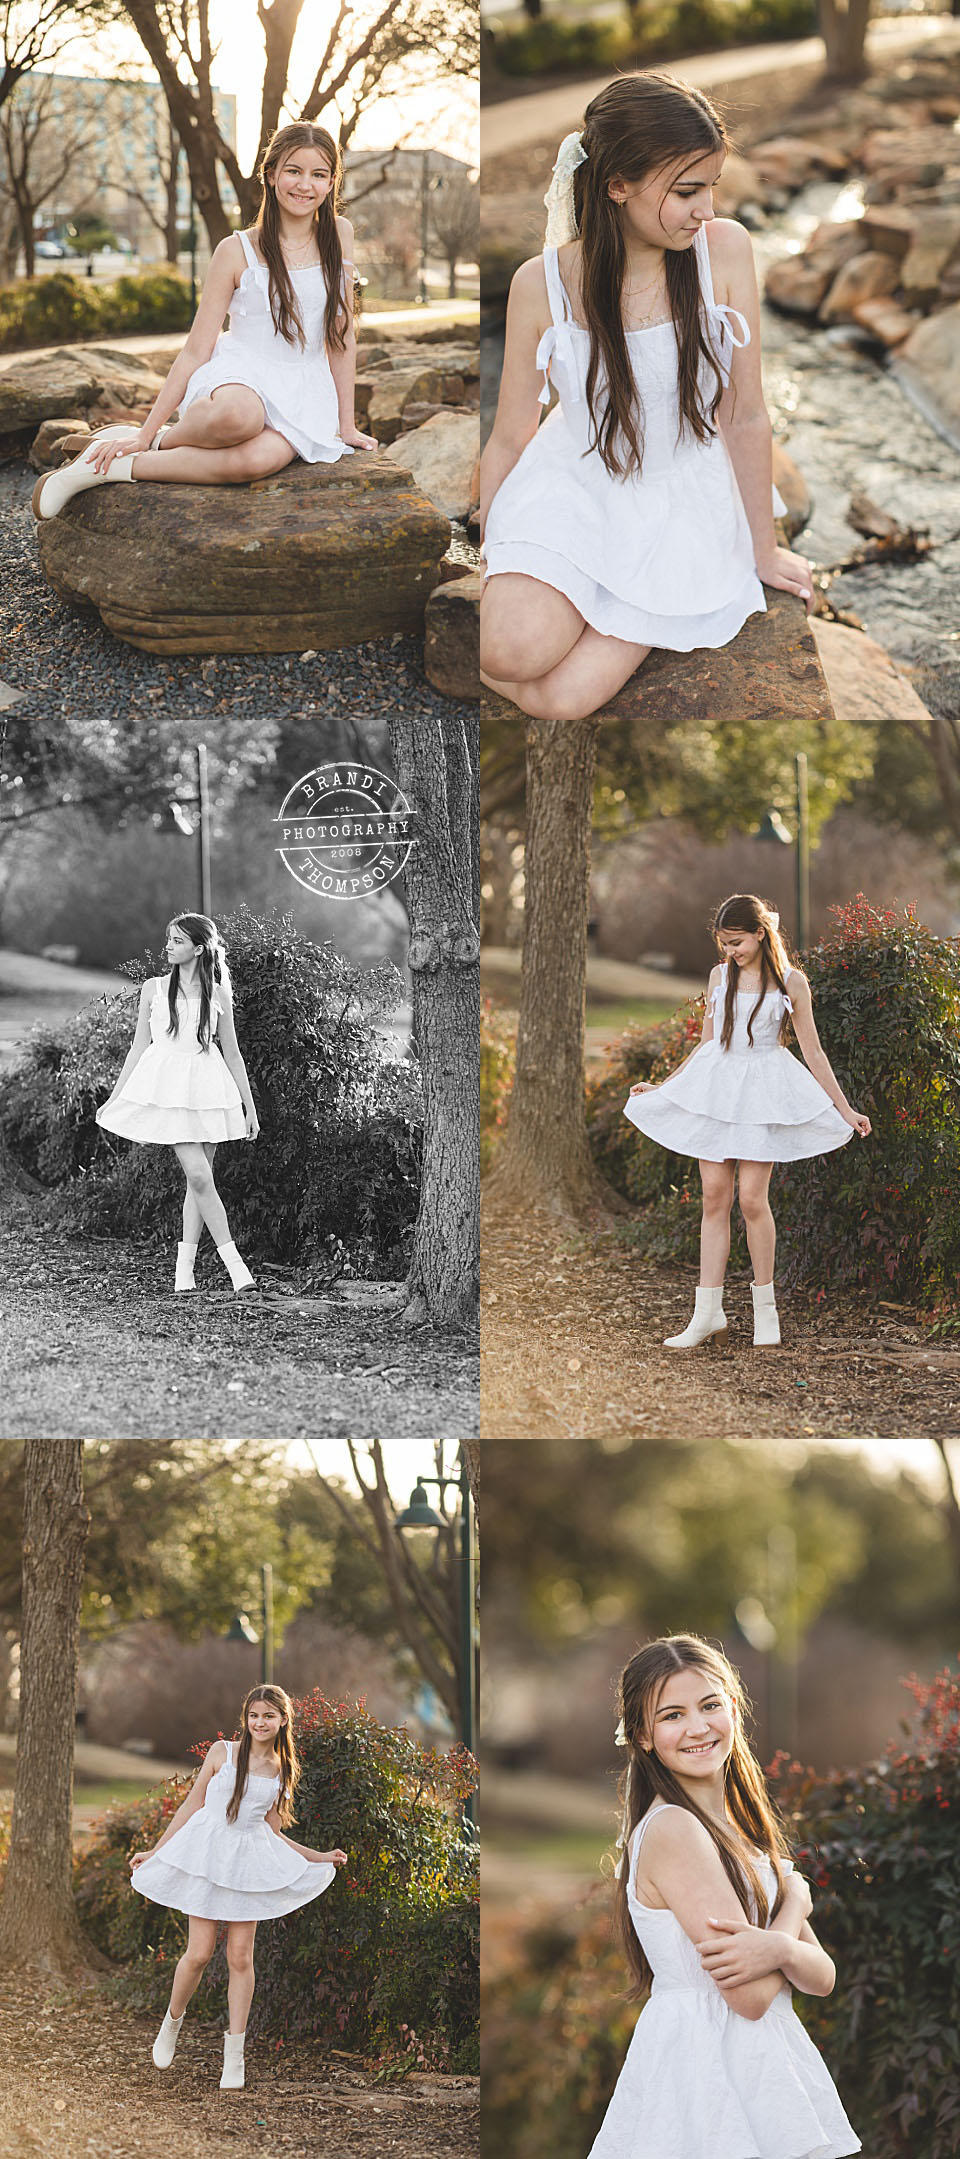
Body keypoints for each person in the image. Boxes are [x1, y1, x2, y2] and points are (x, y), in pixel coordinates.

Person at [480, 71, 814, 724]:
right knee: (504, 650)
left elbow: (745, 415)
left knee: (562, 700)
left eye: (712, 187)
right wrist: (495, 554)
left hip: (682, 497)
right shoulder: (540, 283)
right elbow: (509, 436)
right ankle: (595, 592)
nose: (708, 210)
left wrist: (763, 549)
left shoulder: (725, 252)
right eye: (688, 191)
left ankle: (650, 595)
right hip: (577, 483)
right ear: (616, 184)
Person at [590, 1634, 860, 2159]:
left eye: (710, 1705)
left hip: (756, 2065)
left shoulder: (740, 1830)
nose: (697, 1727)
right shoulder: (674, 1830)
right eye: (672, 1715)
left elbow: (822, 1976)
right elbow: (751, 1998)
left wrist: (779, 1946)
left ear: (733, 1707)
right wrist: (794, 1911)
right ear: (643, 1735)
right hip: (704, 2070)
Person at [34, 122, 375, 520]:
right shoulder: (235, 250)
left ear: (332, 181)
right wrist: (146, 428)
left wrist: (345, 425)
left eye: (318, 174)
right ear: (270, 174)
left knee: (254, 462)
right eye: (293, 170)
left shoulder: (339, 233)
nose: (305, 185)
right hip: (240, 375)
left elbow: (340, 333)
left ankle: (106, 466)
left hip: (303, 385)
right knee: (239, 417)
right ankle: (150, 441)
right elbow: (197, 347)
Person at [625, 894, 871, 1348]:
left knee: (753, 1200)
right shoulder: (720, 976)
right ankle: (707, 1314)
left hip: (763, 1090)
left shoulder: (792, 983)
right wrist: (664, 1086)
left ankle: (766, 1313)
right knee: (714, 1197)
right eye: (724, 944)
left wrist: (844, 1108)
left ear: (760, 933)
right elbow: (706, 1043)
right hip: (717, 1086)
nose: (730, 952)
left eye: (736, 942)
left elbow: (812, 1052)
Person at [130, 1684, 346, 2092]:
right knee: (198, 1953)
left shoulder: (282, 1769)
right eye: (253, 1715)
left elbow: (273, 1831)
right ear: (245, 1719)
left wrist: (318, 1856)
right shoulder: (222, 1753)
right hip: (207, 1855)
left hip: (247, 1864)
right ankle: (171, 2024)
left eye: (268, 1716)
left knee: (240, 1956)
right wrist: (156, 1850)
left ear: (283, 1720)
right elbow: (192, 1805)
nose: (259, 1723)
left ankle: (235, 2056)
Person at [96, 913, 259, 1296]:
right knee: (201, 1177)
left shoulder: (218, 993)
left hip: (208, 1087)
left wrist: (249, 1108)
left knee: (197, 1182)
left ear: (199, 949)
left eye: (177, 941)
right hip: (168, 1089)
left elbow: (232, 1054)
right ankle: (238, 1270)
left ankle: (183, 1272)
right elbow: (139, 1048)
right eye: (168, 939)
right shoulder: (153, 989)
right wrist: (116, 1097)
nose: (168, 946)